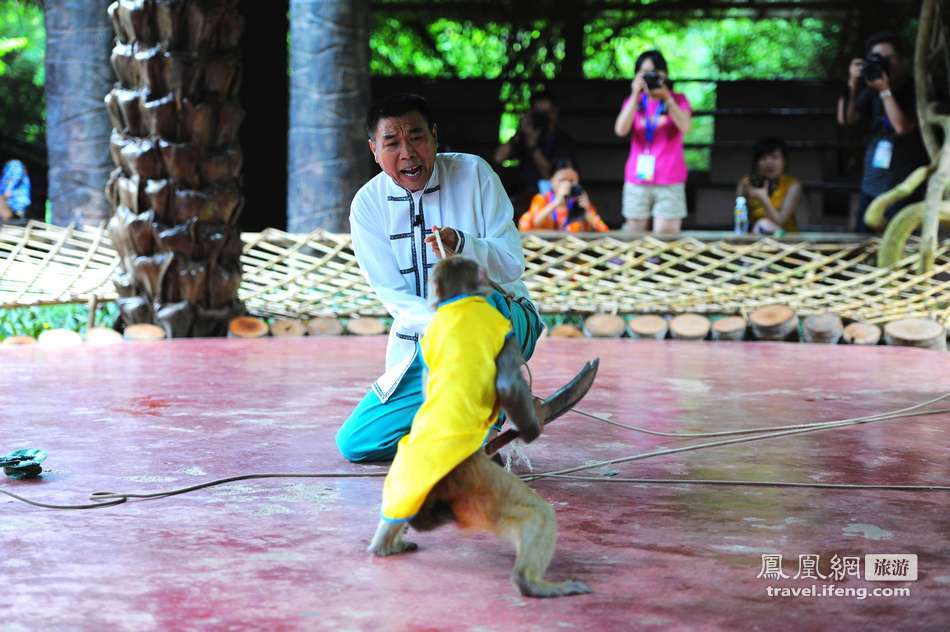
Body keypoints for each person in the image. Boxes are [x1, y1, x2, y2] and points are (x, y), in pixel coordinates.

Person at [336, 93, 545, 463]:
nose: (408, 152)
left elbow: (512, 264)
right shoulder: (367, 206)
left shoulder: (475, 173)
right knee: (357, 442)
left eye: (416, 137)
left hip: (504, 321)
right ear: (373, 149)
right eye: (392, 142)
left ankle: (488, 412)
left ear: (434, 136)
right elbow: (394, 297)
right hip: (428, 350)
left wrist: (462, 244)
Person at [837, 32, 929, 233]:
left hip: (904, 185)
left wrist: (885, 91)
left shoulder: (915, 88)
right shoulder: (871, 90)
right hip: (873, 182)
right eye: (877, 58)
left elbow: (901, 127)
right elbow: (846, 119)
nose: (884, 63)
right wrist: (853, 82)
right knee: (865, 238)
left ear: (901, 60)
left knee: (900, 240)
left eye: (889, 58)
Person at [614, 50, 691, 235]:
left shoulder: (678, 100)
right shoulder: (634, 102)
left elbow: (685, 126)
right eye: (644, 73)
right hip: (638, 178)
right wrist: (634, 95)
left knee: (666, 237)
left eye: (654, 72)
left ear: (664, 74)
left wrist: (667, 99)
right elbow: (620, 130)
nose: (649, 77)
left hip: (670, 177)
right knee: (634, 235)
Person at [494, 90, 576, 214]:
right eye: (538, 114)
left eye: (546, 113)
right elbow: (498, 157)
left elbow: (551, 176)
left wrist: (533, 147)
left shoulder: (563, 141)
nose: (542, 118)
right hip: (521, 198)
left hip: (551, 201)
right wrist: (520, 132)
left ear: (555, 113)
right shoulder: (523, 136)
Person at [518, 159, 609, 233]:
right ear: (551, 181)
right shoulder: (541, 199)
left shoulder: (580, 201)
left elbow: (603, 230)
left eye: (572, 181)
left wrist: (586, 210)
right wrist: (556, 203)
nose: (567, 185)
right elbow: (534, 223)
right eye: (562, 180)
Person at [735, 137, 802, 235]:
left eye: (774, 157)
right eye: (763, 158)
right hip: (756, 236)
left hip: (787, 238)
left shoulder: (793, 185)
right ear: (756, 162)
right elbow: (739, 217)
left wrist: (763, 197)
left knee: (763, 224)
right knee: (761, 225)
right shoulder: (747, 183)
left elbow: (780, 221)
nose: (769, 162)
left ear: (784, 161)